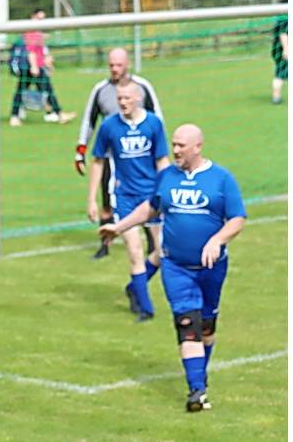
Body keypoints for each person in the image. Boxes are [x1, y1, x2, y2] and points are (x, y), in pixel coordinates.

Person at [100, 124, 246, 411]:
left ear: (197, 147)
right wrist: (118, 227)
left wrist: (217, 240)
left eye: (181, 146)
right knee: (187, 325)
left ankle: (199, 377)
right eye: (174, 144)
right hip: (175, 266)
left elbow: (237, 219)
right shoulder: (166, 176)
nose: (175, 150)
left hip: (212, 268)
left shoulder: (221, 179)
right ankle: (196, 390)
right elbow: (150, 208)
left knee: (206, 326)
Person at [87, 82, 170, 322]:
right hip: (124, 197)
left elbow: (162, 160)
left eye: (126, 98)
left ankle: (134, 288)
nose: (122, 103)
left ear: (137, 98)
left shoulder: (153, 124)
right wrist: (92, 199)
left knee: (163, 252)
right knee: (135, 251)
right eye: (119, 98)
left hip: (151, 196)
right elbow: (98, 161)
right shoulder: (109, 126)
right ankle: (146, 309)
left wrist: (167, 189)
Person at [77, 47, 163, 259]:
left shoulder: (143, 87)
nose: (115, 69)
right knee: (108, 199)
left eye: (119, 65)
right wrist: (81, 149)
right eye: (111, 65)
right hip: (111, 154)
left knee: (147, 198)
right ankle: (104, 244)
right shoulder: (101, 90)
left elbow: (157, 119)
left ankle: (152, 244)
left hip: (141, 153)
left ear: (127, 64)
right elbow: (89, 119)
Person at [9, 8, 76, 127]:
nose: (41, 21)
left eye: (43, 19)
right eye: (39, 18)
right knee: (37, 91)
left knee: (34, 91)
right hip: (32, 67)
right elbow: (31, 52)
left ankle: (58, 114)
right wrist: (34, 67)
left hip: (35, 66)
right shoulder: (32, 32)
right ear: (33, 17)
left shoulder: (37, 32)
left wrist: (47, 64)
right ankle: (58, 114)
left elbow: (39, 52)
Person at [271, 0, 288, 104]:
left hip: (279, 49)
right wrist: (286, 49)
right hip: (283, 50)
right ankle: (276, 97)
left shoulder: (281, 18)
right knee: (280, 74)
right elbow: (283, 34)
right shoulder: (284, 18)